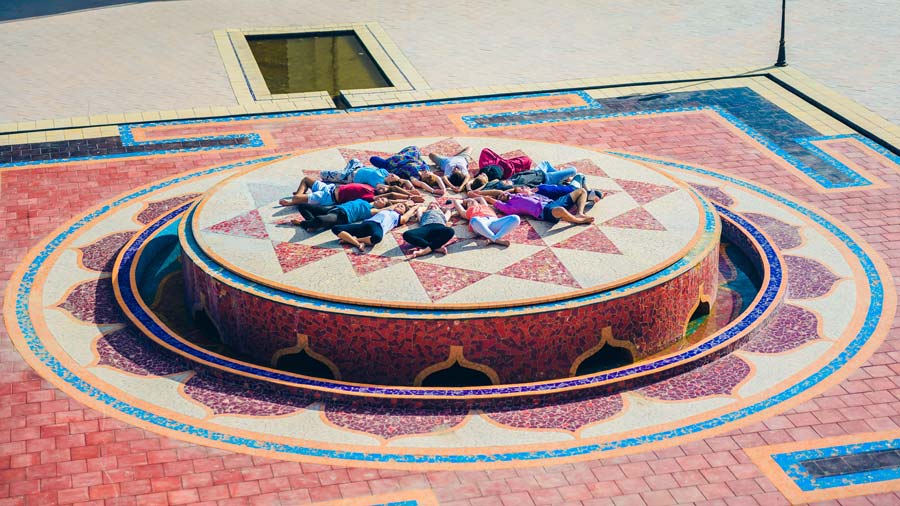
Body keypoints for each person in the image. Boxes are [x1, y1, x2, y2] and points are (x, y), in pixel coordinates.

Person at [332, 202, 418, 252]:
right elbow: (375, 209)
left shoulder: (397, 217)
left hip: (378, 226)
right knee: (336, 228)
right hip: (366, 224)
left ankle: (352, 240)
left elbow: (406, 217)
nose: (398, 206)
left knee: (377, 238)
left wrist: (414, 208)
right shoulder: (386, 210)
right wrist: (401, 202)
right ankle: (357, 243)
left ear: (403, 212)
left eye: (401, 207)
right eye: (398, 205)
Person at [484, 187, 597, 225]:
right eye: (501, 196)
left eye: (504, 193)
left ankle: (580, 213)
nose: (503, 194)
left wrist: (507, 192)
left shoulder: (518, 194)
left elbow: (512, 189)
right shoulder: (510, 206)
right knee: (560, 210)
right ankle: (578, 220)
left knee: (581, 191)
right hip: (544, 211)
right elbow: (493, 201)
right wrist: (483, 196)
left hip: (552, 202)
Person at [370, 146, 445, 195]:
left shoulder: (415, 177)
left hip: (392, 164)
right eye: (430, 173)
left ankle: (389, 160)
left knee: (374, 159)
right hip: (408, 157)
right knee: (415, 148)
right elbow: (438, 178)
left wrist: (433, 191)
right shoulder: (426, 169)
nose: (428, 172)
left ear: (424, 178)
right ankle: (398, 155)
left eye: (428, 175)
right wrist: (443, 189)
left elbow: (422, 184)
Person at [291, 198, 392, 232]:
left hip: (342, 216)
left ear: (383, 206)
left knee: (320, 219)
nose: (380, 199)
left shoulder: (373, 210)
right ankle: (312, 224)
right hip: (334, 208)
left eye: (383, 200)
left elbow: (388, 208)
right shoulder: (367, 201)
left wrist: (398, 203)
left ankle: (303, 223)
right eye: (381, 198)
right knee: (302, 205)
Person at [452, 197, 520, 247]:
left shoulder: (485, 205)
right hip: (481, 224)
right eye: (468, 203)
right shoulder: (466, 212)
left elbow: (480, 198)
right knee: (474, 219)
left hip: (493, 221)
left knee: (515, 218)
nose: (471, 202)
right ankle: (496, 239)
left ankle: (493, 238)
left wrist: (471, 199)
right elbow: (456, 201)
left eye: (473, 201)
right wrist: (465, 201)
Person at [278, 177, 376, 207]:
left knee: (296, 198)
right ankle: (301, 195)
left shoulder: (370, 196)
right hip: (329, 187)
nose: (382, 187)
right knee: (306, 179)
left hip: (328, 197)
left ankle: (295, 201)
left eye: (383, 189)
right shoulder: (371, 187)